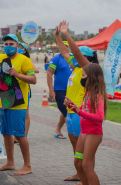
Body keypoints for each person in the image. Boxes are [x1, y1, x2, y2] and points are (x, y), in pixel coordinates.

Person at [0, 33, 36, 175]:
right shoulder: (0, 58)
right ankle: (10, 163)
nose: (8, 46)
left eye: (11, 44)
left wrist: (17, 74)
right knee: (5, 133)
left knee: (20, 135)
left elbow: (33, 79)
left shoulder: (24, 60)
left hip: (19, 103)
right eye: (6, 44)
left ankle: (27, 166)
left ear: (17, 45)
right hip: (5, 101)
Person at [61, 20, 107, 185]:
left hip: (93, 133)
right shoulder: (88, 92)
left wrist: (66, 34)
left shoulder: (97, 94)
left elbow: (100, 117)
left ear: (91, 77)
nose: (81, 76)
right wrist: (74, 106)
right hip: (83, 132)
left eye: (83, 76)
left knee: (87, 165)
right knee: (78, 162)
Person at [55, 22, 93, 182]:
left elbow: (75, 52)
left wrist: (66, 34)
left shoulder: (89, 68)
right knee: (74, 144)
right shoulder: (76, 68)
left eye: (78, 56)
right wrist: (57, 36)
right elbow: (66, 52)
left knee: (83, 148)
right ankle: (79, 174)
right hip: (71, 113)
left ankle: (87, 177)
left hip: (81, 114)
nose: (74, 57)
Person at [47, 41, 73, 139]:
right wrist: (51, 90)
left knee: (67, 111)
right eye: (63, 46)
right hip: (60, 90)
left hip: (73, 90)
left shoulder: (73, 59)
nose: (65, 48)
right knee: (67, 113)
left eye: (67, 46)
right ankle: (75, 134)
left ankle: (58, 129)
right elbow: (49, 74)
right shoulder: (56, 59)